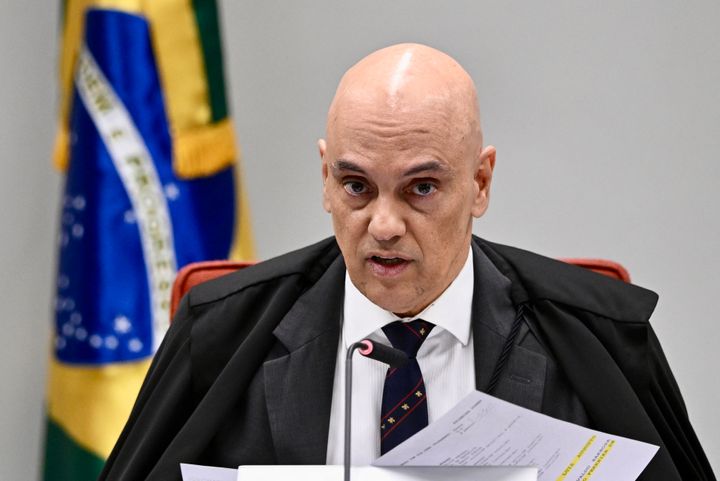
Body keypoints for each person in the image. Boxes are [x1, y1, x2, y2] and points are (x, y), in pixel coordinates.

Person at [99, 44, 715, 481]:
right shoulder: (221, 333)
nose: (385, 226)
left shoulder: (594, 336)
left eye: (421, 188)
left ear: (479, 183)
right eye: (356, 186)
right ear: (325, 178)